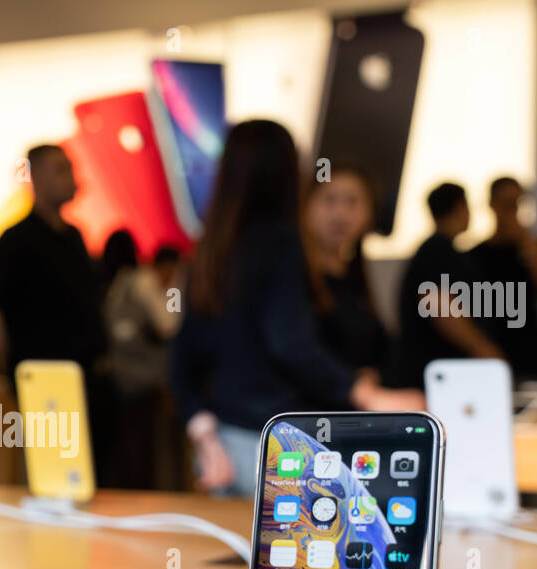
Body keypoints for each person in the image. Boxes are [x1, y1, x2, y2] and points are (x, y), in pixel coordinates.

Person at [169, 120, 424, 497]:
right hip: (280, 442)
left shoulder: (209, 252)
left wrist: (205, 435)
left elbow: (182, 357)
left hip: (228, 442)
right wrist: (363, 393)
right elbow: (291, 344)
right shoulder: (282, 244)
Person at [0, 144, 107, 376]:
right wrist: (0, 363)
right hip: (39, 373)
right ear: (37, 178)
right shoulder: (16, 240)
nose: (71, 179)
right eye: (61, 170)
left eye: (70, 169)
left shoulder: (73, 236)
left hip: (84, 370)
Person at [394, 183, 503, 388]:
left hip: (440, 371)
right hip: (437, 374)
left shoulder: (440, 250)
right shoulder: (437, 250)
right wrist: (482, 349)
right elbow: (439, 306)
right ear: (461, 207)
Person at [97, 231, 181, 488]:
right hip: (143, 380)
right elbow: (170, 325)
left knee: (125, 446)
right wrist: (175, 291)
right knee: (144, 447)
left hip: (119, 376)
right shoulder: (145, 281)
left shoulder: (116, 283)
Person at [304, 166, 394, 383]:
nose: (340, 213)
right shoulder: (292, 278)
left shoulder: (358, 281)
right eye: (330, 200)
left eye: (352, 202)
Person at [469, 176, 537, 379]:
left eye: (517, 203)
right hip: (490, 357)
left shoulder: (532, 248)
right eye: (506, 203)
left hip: (530, 356)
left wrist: (528, 245)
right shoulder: (475, 255)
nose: (511, 210)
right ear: (492, 204)